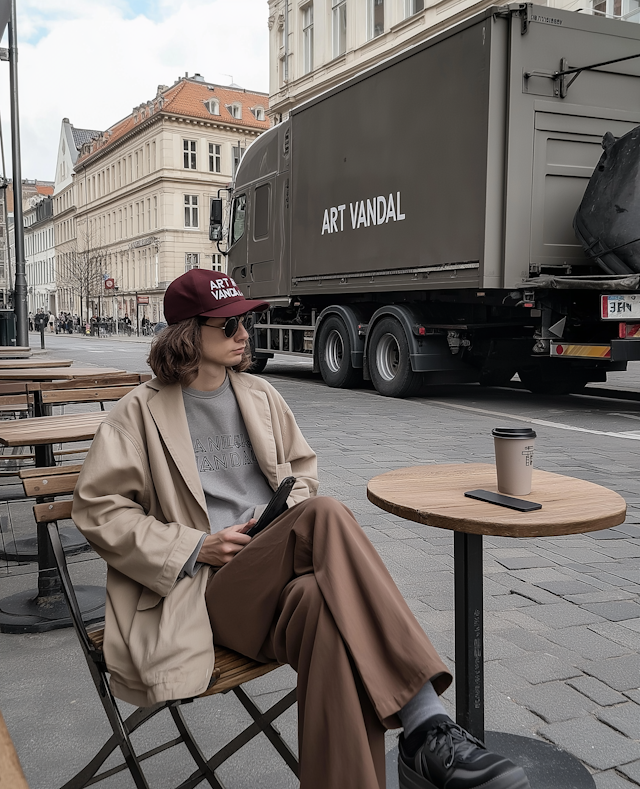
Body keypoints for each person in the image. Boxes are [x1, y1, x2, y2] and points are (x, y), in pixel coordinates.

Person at [72, 270, 529, 789]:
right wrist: (198, 546)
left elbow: (300, 473)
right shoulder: (138, 414)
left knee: (323, 612)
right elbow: (98, 511)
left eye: (248, 319)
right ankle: (425, 724)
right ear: (187, 333)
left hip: (277, 573)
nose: (245, 332)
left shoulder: (260, 395)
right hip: (207, 589)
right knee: (326, 515)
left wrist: (279, 517)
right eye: (229, 324)